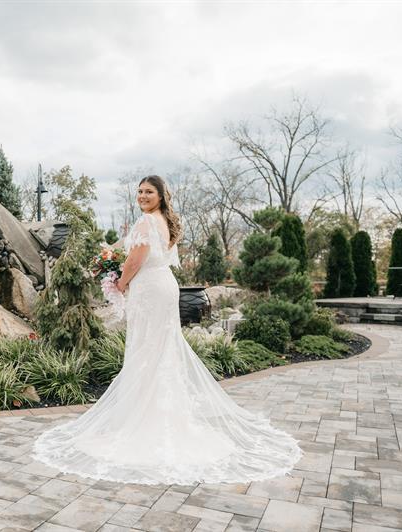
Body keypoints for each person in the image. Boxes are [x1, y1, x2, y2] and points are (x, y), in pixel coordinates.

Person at [33, 175, 302, 485]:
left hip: (149, 288)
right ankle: (165, 416)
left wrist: (120, 282)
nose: (142, 196)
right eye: (139, 192)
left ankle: (145, 419)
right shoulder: (165, 221)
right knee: (161, 348)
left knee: (146, 349)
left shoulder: (147, 222)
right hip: (164, 286)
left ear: (160, 195)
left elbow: (136, 259)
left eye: (149, 191)